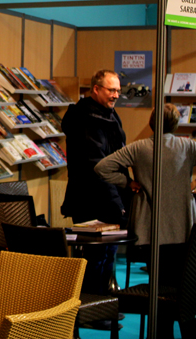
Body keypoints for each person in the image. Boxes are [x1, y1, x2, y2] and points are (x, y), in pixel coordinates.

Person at [94, 103, 196, 339]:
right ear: (176, 124)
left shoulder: (138, 147)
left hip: (150, 228)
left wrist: (128, 183)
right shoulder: (187, 145)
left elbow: (102, 167)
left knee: (159, 282)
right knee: (185, 280)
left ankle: (162, 331)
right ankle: (191, 330)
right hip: (183, 224)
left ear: (151, 122)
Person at [61, 69, 130, 296]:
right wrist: (117, 200)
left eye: (118, 90)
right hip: (91, 200)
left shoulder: (109, 114)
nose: (116, 95)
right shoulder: (85, 119)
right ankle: (92, 307)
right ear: (96, 89)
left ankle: (103, 304)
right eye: (111, 90)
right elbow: (97, 166)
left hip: (109, 197)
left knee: (108, 255)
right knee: (96, 258)